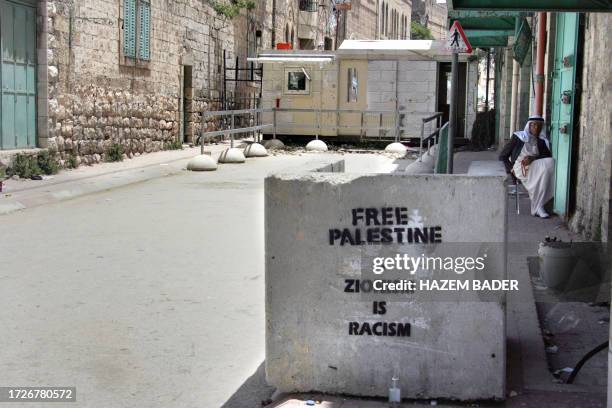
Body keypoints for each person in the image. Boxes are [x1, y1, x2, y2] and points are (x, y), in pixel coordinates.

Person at [499, 115, 555, 218]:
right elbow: (503, 156)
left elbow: (546, 156)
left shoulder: (542, 141)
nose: (536, 128)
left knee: (550, 163)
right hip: (519, 167)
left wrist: (533, 158)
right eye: (533, 125)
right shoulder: (518, 137)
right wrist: (510, 169)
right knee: (543, 170)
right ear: (528, 126)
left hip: (535, 166)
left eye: (538, 126)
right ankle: (538, 207)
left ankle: (538, 206)